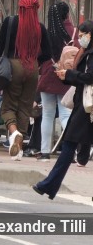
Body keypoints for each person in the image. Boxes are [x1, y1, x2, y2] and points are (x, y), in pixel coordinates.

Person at [33, 20, 93, 199]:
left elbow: (90, 77)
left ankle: (49, 185)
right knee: (69, 144)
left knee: (69, 144)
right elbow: (82, 78)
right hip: (83, 106)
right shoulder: (86, 52)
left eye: (83, 36)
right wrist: (66, 76)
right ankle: (49, 185)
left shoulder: (91, 53)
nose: (80, 39)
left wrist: (69, 74)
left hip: (86, 108)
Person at [0, 0, 51, 160]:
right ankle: (18, 149)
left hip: (13, 66)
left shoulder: (10, 22)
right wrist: (35, 63)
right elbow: (47, 52)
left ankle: (14, 132)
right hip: (32, 68)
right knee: (25, 107)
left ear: (20, 7)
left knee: (8, 106)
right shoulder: (40, 27)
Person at [36, 2, 77, 161]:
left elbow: (40, 54)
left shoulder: (47, 32)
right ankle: (71, 152)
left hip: (48, 74)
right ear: (67, 14)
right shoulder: (74, 33)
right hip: (66, 76)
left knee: (47, 114)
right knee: (66, 114)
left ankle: (45, 152)